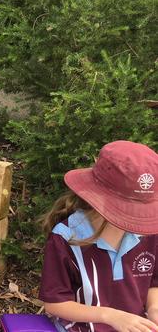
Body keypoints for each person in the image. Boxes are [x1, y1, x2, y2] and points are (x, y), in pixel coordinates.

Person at [39, 140, 158, 332]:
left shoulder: (150, 231)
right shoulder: (65, 238)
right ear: (98, 197)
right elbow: (55, 303)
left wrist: (154, 309)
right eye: (131, 211)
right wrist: (110, 316)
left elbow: (154, 283)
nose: (137, 221)